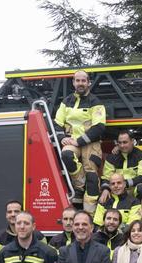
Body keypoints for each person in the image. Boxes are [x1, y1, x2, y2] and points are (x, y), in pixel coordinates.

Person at [55, 70, 107, 210]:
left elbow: (99, 127)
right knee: (66, 155)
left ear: (88, 82)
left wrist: (79, 141)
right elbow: (57, 124)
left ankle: (90, 213)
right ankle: (80, 186)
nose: (80, 83)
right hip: (71, 142)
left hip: (90, 143)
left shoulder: (95, 102)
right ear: (73, 83)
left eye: (83, 80)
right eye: (77, 80)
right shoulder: (66, 102)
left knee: (92, 177)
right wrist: (61, 138)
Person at [102, 130, 142, 198]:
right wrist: (105, 189)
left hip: (133, 190)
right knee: (104, 194)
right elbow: (106, 177)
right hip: (116, 190)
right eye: (120, 143)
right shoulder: (111, 157)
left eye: (125, 142)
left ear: (132, 141)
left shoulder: (141, 156)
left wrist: (125, 184)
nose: (122, 145)